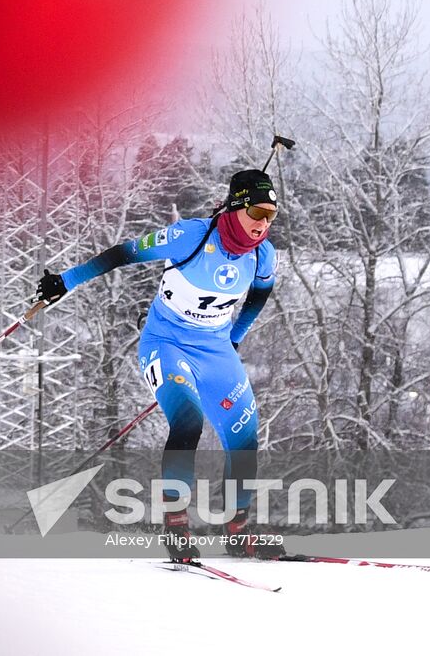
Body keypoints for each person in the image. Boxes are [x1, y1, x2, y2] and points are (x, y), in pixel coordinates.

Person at [34, 169, 284, 561]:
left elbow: (260, 295)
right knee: (188, 421)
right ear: (236, 206)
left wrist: (234, 338)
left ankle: (238, 529)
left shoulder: (262, 254)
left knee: (244, 435)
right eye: (256, 212)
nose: (263, 224)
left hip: (216, 348)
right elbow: (123, 254)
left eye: (271, 215)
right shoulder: (190, 236)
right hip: (166, 343)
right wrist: (65, 281)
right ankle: (176, 525)